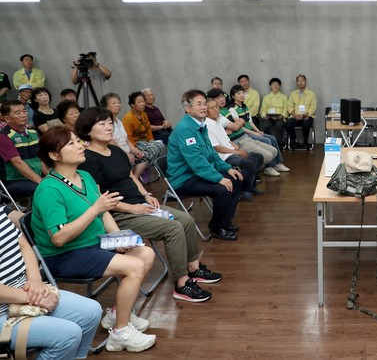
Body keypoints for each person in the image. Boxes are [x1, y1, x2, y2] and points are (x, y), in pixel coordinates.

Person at [32, 126, 157, 353]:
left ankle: (117, 314)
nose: (81, 146)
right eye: (71, 143)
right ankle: (120, 333)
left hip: (93, 244)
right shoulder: (49, 189)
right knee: (135, 266)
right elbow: (59, 238)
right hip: (65, 255)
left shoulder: (85, 176)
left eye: (78, 141)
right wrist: (95, 209)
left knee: (146, 254)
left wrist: (118, 238)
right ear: (54, 155)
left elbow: (104, 211)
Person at [76, 107, 220, 303]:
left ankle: (193, 267)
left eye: (110, 123)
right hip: (118, 214)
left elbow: (130, 176)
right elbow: (98, 200)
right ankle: (182, 283)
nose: (109, 127)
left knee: (185, 219)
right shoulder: (88, 160)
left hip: (140, 204)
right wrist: (131, 208)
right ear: (87, 130)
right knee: (173, 228)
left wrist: (146, 194)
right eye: (102, 124)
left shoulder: (116, 151)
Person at [0, 206, 103, 359]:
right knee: (68, 335)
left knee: (92, 311)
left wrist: (35, 280)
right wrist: (32, 297)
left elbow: (22, 244)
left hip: (26, 291)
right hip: (4, 311)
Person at [168, 90, 244, 241]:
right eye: (199, 104)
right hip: (183, 178)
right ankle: (217, 227)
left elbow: (211, 153)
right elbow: (196, 161)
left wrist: (227, 168)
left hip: (196, 174)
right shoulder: (185, 128)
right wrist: (219, 178)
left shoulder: (201, 125)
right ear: (187, 108)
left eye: (204, 104)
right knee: (222, 189)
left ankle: (225, 222)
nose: (204, 107)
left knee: (236, 180)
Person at [208, 88, 280, 178]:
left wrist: (239, 123)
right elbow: (236, 126)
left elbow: (238, 124)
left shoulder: (225, 112)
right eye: (218, 98)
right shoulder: (222, 114)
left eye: (222, 96)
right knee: (267, 152)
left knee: (273, 150)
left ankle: (257, 171)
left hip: (244, 137)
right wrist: (239, 123)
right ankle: (256, 171)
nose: (222, 99)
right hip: (237, 141)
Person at [205, 98, 265, 201]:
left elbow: (227, 140)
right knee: (249, 163)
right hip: (223, 156)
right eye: (212, 108)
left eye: (217, 106)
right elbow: (217, 148)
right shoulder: (207, 126)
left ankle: (250, 186)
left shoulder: (218, 121)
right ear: (206, 112)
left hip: (231, 151)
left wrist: (239, 149)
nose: (216, 109)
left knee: (259, 157)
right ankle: (243, 190)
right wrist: (237, 152)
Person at [230, 85, 290, 175]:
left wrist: (258, 131)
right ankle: (268, 167)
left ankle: (277, 163)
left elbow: (250, 122)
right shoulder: (232, 109)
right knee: (267, 140)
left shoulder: (245, 107)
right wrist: (254, 133)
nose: (242, 95)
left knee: (272, 138)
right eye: (238, 93)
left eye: (243, 93)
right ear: (233, 96)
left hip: (252, 131)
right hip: (245, 133)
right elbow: (239, 127)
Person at [0, 100, 45, 201]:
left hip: (34, 176)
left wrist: (54, 175)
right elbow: (17, 163)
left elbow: (40, 159)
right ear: (7, 118)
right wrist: (40, 181)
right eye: (17, 113)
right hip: (14, 181)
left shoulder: (32, 133)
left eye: (24, 111)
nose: (23, 115)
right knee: (43, 189)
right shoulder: (3, 137)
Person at [101, 93, 149, 179]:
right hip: (116, 153)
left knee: (143, 156)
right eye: (114, 103)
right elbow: (110, 141)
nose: (118, 105)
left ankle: (135, 178)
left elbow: (126, 139)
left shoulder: (119, 121)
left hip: (126, 151)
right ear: (106, 107)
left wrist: (135, 151)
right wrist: (124, 154)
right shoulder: (105, 122)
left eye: (118, 102)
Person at [121, 91, 166, 178]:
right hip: (135, 142)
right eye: (139, 102)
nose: (142, 104)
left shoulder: (144, 114)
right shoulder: (128, 118)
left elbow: (148, 129)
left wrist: (151, 140)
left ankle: (144, 166)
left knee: (160, 145)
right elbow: (128, 136)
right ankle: (142, 168)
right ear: (132, 104)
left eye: (143, 101)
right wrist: (134, 149)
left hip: (145, 141)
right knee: (152, 149)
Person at [285, 74, 317, 150]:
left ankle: (305, 142)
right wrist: (294, 114)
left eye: (302, 80)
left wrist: (305, 115)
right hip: (295, 116)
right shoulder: (293, 94)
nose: (300, 82)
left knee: (306, 124)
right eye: (298, 81)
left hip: (307, 116)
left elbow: (313, 107)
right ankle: (294, 141)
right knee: (288, 123)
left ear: (305, 82)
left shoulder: (312, 94)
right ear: (296, 83)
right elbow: (289, 106)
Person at [259, 77, 287, 146]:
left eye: (277, 84)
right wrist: (264, 116)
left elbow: (286, 108)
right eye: (273, 84)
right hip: (269, 117)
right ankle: (270, 141)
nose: (275, 86)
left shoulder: (284, 97)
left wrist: (282, 115)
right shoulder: (266, 97)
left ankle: (279, 143)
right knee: (265, 126)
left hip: (279, 117)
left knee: (280, 125)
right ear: (270, 86)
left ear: (279, 86)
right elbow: (263, 109)